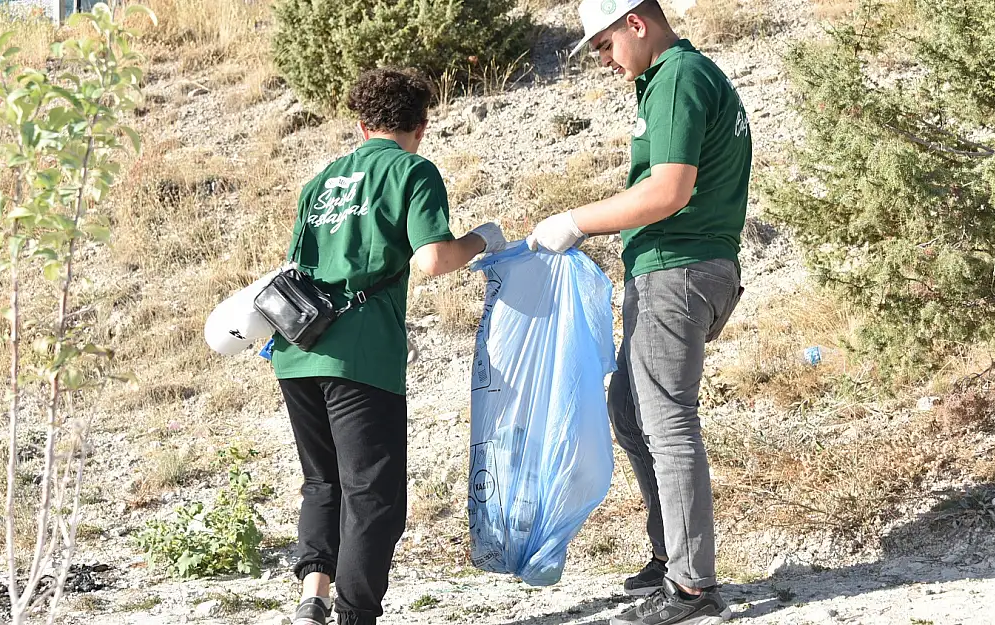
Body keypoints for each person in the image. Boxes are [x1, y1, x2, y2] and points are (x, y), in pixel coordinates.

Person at [526, 1, 751, 623]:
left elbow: (667, 190)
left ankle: (691, 585)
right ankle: (669, 556)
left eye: (603, 46)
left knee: (666, 421)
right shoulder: (679, 76)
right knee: (629, 410)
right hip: (684, 270)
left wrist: (574, 221)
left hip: (677, 272)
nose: (604, 61)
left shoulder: (678, 76)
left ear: (635, 23)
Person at [271, 68, 506, 625]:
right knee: (372, 493)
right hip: (362, 355)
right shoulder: (413, 171)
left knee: (322, 479)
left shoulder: (321, 180)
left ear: (361, 124)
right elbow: (432, 258)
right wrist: (483, 238)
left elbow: (296, 268)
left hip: (296, 350)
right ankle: (357, 615)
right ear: (421, 126)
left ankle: (314, 594)